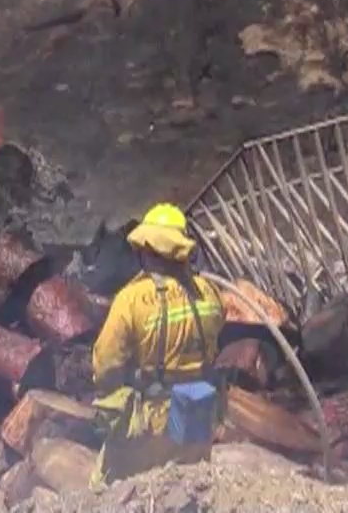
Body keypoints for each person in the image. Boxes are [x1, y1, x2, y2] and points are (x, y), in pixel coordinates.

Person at [90, 203, 227, 489]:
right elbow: (215, 339)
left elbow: (105, 366)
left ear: (147, 249)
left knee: (105, 486)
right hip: (199, 411)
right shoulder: (210, 292)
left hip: (154, 421)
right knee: (192, 487)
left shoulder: (131, 300)